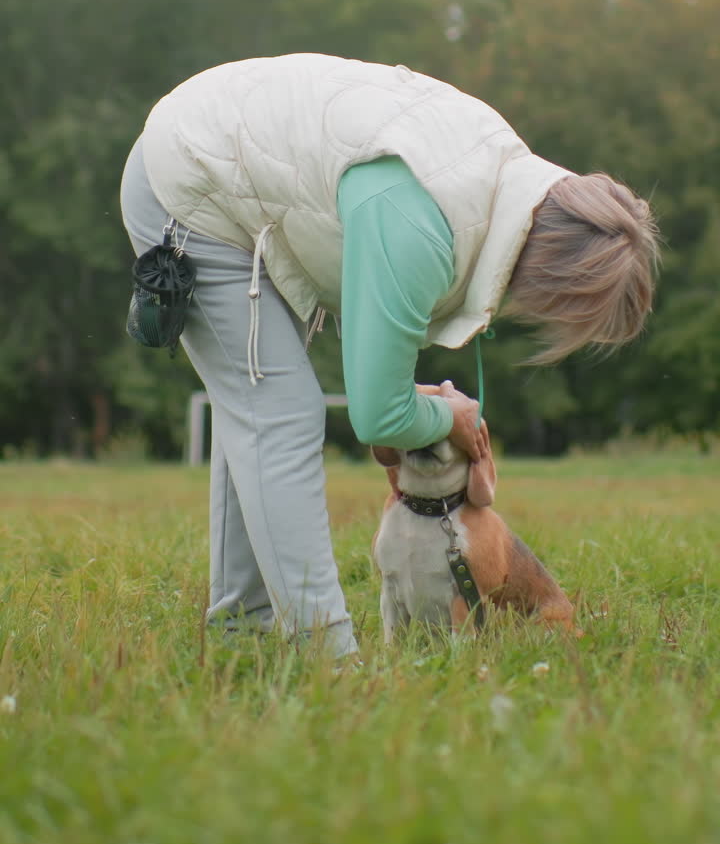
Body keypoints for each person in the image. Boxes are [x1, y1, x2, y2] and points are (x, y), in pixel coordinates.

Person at [120, 54, 658, 659]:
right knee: (280, 413)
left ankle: (242, 629)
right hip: (190, 176)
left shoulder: (498, 178)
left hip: (224, 151)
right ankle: (328, 658)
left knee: (258, 406)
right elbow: (379, 416)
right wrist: (451, 418)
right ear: (551, 281)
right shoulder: (421, 228)